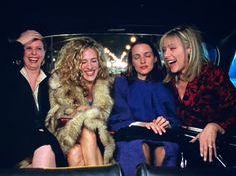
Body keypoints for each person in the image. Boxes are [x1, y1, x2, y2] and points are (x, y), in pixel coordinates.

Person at [159, 25, 236, 167]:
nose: (166, 55)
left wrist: (215, 126)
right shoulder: (165, 81)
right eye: (164, 50)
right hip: (173, 145)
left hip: (208, 151)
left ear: (189, 48)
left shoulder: (213, 75)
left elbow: (233, 112)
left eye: (172, 48)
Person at [108, 38, 180, 176]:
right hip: (132, 135)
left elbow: (176, 118)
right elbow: (117, 119)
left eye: (147, 56)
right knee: (139, 148)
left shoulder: (166, 83)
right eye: (137, 57)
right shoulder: (121, 83)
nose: (142, 61)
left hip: (162, 134)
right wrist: (143, 124)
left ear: (155, 59)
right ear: (132, 62)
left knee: (165, 150)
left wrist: (167, 122)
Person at [0, 30, 67, 168]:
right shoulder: (8, 77)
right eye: (28, 48)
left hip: (46, 141)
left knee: (46, 150)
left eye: (38, 48)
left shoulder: (53, 82)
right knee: (45, 147)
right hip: (14, 143)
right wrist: (19, 42)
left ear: (44, 53)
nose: (34, 53)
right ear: (21, 51)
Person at [45, 37, 115, 167]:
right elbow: (56, 117)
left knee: (75, 153)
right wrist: (76, 112)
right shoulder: (63, 87)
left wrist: (90, 114)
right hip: (69, 136)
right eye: (83, 62)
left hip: (102, 137)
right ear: (74, 65)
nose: (90, 66)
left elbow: (115, 118)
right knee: (85, 132)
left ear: (100, 63)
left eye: (94, 61)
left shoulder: (107, 86)